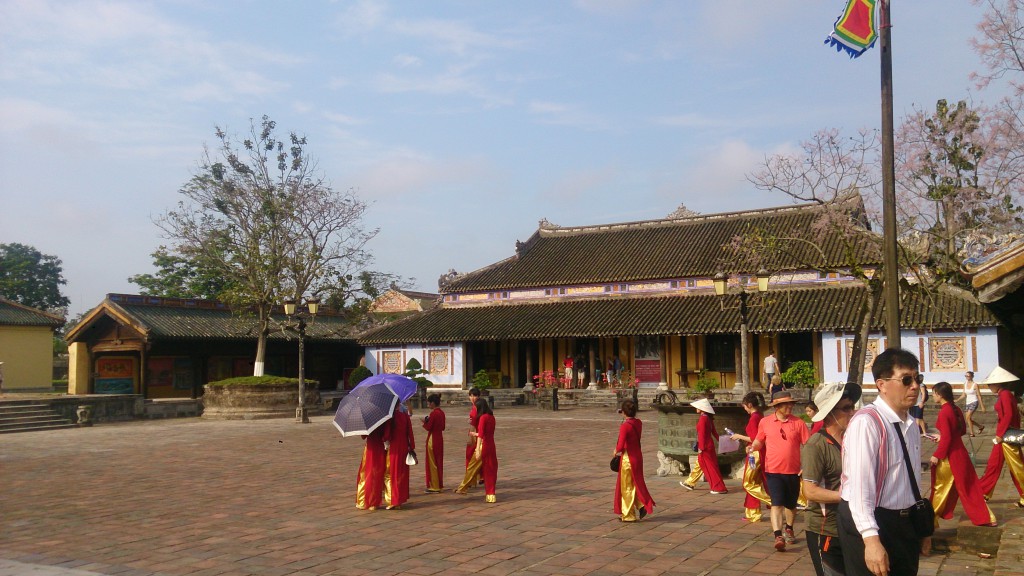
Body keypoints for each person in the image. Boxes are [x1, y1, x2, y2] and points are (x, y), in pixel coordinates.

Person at [838, 347, 926, 576]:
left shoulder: (911, 425)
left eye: (918, 378)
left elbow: (912, 479)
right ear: (881, 384)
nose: (915, 386)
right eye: (906, 379)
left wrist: (921, 529)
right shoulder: (867, 423)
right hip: (872, 521)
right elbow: (859, 489)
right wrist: (871, 540)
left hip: (904, 522)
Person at [802, 381, 861, 576]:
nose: (852, 412)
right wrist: (847, 495)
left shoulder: (851, 439)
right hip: (825, 527)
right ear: (830, 413)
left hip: (851, 525)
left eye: (852, 407)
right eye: (846, 408)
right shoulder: (816, 445)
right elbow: (809, 491)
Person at [928, 381, 996, 530]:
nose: (932, 396)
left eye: (933, 393)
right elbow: (962, 430)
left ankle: (929, 520)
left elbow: (946, 438)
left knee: (940, 488)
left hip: (950, 456)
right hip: (961, 453)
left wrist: (937, 455)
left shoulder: (944, 411)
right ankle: (986, 516)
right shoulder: (956, 409)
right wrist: (944, 437)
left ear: (939, 395)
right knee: (970, 488)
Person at [749, 390, 810, 552]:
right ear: (777, 406)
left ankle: (789, 527)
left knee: (791, 504)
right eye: (786, 404)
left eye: (791, 403)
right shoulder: (765, 422)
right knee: (776, 503)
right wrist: (752, 447)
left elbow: (809, 446)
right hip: (772, 470)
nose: (790, 406)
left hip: (793, 471)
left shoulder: (799, 423)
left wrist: (806, 466)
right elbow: (759, 441)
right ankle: (778, 535)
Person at [978, 367, 1024, 508]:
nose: (989, 386)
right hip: (1003, 436)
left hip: (1006, 437)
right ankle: (982, 493)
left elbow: (1008, 416)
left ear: (998, 384)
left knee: (1017, 467)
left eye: (990, 384)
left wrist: (999, 435)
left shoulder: (1005, 395)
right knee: (994, 465)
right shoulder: (1004, 394)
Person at [730, 391, 771, 522]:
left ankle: (775, 502)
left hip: (755, 454)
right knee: (756, 481)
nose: (745, 410)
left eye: (745, 407)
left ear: (749, 405)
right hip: (757, 451)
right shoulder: (760, 415)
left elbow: (755, 438)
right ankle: (752, 512)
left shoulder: (754, 418)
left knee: (748, 483)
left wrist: (738, 436)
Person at [613, 399, 656, 521]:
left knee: (626, 487)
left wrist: (615, 451)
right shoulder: (638, 423)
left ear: (624, 412)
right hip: (638, 456)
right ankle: (641, 504)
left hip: (628, 459)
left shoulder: (625, 426)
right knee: (634, 483)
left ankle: (628, 515)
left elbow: (620, 446)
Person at [680, 398, 728, 494]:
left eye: (697, 407)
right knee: (709, 466)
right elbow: (715, 433)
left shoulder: (702, 419)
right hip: (710, 445)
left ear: (702, 408)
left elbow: (701, 435)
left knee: (709, 468)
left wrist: (701, 448)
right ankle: (690, 482)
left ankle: (718, 488)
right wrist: (722, 444)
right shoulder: (708, 419)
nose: (696, 408)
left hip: (705, 446)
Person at [455, 397, 498, 502]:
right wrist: (474, 433)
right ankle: (491, 494)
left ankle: (462, 488)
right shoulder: (492, 417)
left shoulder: (483, 418)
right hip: (491, 445)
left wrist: (478, 449)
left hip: (483, 445)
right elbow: (486, 434)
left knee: (471, 467)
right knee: (491, 469)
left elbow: (481, 435)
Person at [383, 403, 415, 510]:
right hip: (404, 446)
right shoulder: (405, 416)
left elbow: (386, 435)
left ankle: (394, 500)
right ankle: (400, 498)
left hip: (394, 447)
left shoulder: (391, 418)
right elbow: (410, 432)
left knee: (393, 473)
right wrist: (411, 446)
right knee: (402, 473)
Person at [355, 425, 387, 510]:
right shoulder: (384, 420)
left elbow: (363, 436)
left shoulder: (368, 421)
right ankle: (373, 502)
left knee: (365, 474)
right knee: (377, 475)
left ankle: (362, 501)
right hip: (380, 448)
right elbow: (386, 436)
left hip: (370, 448)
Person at [422, 393, 446, 493]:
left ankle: (434, 485)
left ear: (432, 403)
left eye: (429, 402)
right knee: (438, 462)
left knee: (432, 463)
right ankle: (438, 484)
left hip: (432, 439)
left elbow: (428, 427)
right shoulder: (441, 413)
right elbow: (443, 427)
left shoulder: (434, 414)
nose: (428, 404)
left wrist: (424, 422)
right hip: (439, 438)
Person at [955, 371, 986, 437]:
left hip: (974, 402)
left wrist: (982, 406)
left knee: (968, 417)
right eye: (966, 376)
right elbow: (963, 394)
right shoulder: (965, 384)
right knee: (967, 418)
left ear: (972, 376)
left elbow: (979, 395)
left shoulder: (975, 385)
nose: (967, 377)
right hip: (968, 402)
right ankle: (980, 426)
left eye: (968, 376)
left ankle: (972, 433)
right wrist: (957, 400)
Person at [464, 387, 482, 487]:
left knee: (470, 456)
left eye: (474, 395)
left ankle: (470, 479)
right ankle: (477, 477)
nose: (472, 398)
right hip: (474, 431)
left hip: (475, 432)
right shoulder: (475, 407)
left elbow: (475, 422)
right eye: (470, 396)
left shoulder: (477, 407)